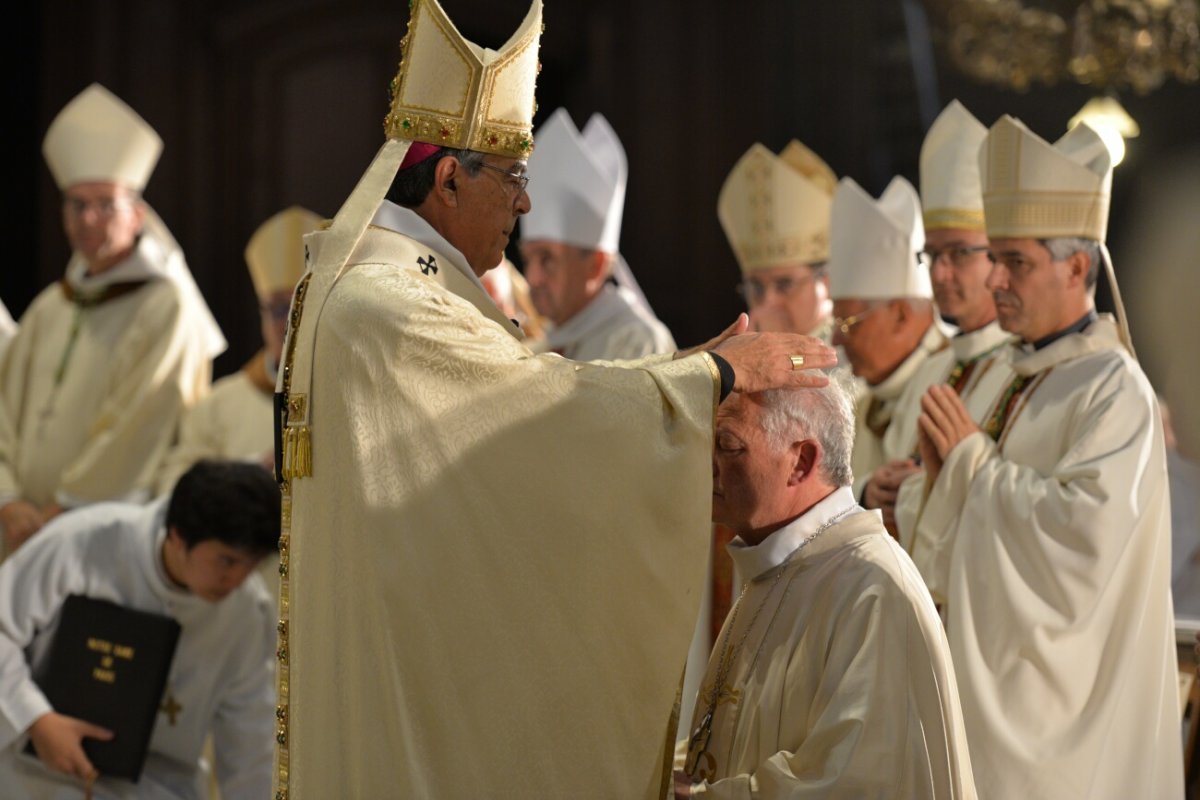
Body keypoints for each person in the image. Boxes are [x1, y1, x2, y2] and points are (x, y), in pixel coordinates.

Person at [270, 0, 837, 797]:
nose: (524, 204)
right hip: (406, 676)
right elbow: (536, 414)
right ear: (445, 177)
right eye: (511, 179)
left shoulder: (396, 288)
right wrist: (712, 379)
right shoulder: (389, 305)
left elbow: (532, 409)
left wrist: (692, 370)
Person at [904, 115, 1180, 798]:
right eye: (994, 257)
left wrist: (965, 464)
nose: (995, 278)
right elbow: (957, 503)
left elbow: (1083, 542)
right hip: (979, 680)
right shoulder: (1004, 368)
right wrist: (917, 488)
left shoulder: (1116, 391)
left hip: (1063, 714)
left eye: (1016, 262)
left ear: (1077, 267)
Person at [674, 376, 976, 798]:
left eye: (727, 445)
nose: (708, 462)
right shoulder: (778, 566)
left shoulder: (871, 588)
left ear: (801, 462)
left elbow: (855, 783)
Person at [0, 83, 225, 558]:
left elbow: (144, 421)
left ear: (137, 214)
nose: (88, 220)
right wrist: (8, 497)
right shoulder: (50, 306)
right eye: (76, 205)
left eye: (105, 204)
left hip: (100, 529)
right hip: (17, 526)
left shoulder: (166, 307)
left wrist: (65, 507)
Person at [0, 460, 280, 799]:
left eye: (252, 565)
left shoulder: (247, 613)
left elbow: (249, 733)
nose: (236, 581)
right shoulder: (86, 541)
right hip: (35, 766)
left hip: (157, 781)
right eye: (227, 561)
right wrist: (36, 719)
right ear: (178, 536)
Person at [887, 100, 1010, 549]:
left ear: (999, 253)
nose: (939, 273)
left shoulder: (1024, 372)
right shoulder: (930, 371)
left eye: (959, 252)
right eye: (933, 254)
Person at [826, 175, 952, 522]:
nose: (836, 340)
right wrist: (865, 492)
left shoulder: (956, 381)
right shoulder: (862, 400)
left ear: (899, 315)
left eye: (847, 323)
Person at [520, 108, 675, 359]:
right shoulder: (537, 349)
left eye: (547, 259)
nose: (532, 277)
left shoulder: (638, 344)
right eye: (528, 259)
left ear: (596, 264)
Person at [718, 140, 836, 341]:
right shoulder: (739, 352)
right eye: (756, 287)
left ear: (826, 281)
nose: (767, 303)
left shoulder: (855, 355)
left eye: (784, 284)